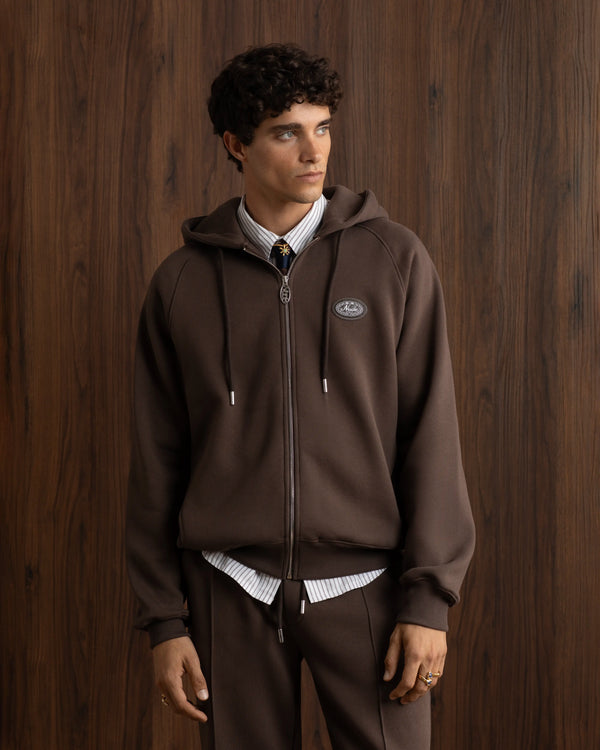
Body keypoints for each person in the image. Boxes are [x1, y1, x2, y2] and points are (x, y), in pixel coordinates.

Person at [126, 43, 475, 750]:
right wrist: (165, 620)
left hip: (369, 590)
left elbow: (431, 435)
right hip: (229, 591)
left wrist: (429, 600)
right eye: (286, 133)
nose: (314, 152)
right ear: (237, 144)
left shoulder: (393, 260)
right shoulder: (181, 284)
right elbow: (157, 462)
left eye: (322, 128)